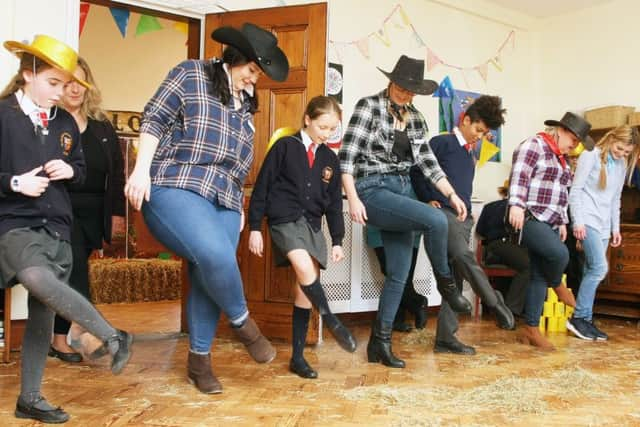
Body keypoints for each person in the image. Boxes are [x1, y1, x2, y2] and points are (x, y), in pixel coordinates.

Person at [125, 23, 289, 394]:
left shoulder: (246, 103)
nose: (254, 78)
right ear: (235, 57)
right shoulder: (190, 74)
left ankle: (199, 362)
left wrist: (242, 208)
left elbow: (240, 161)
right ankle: (243, 322)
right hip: (177, 184)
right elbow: (154, 117)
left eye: (258, 74)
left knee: (208, 270)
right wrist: (140, 170)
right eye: (251, 69)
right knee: (216, 254)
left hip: (226, 199)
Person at [0, 34, 132, 424]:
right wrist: (14, 184)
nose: (62, 93)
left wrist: (71, 170)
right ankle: (110, 334)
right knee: (35, 277)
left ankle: (30, 399)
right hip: (15, 224)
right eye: (54, 84)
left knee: (43, 311)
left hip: (57, 225)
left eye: (66, 85)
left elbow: (83, 170)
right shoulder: (3, 117)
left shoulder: (63, 123)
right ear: (29, 74)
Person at [339, 55, 471, 369]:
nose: (406, 94)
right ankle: (447, 286)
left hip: (401, 191)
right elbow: (347, 158)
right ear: (391, 81)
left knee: (398, 275)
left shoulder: (415, 119)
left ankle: (379, 344)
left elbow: (427, 163)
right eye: (402, 87)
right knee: (436, 220)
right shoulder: (368, 107)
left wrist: (452, 194)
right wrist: (353, 198)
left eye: (412, 91)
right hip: (373, 189)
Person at [248, 96, 356, 379]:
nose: (327, 134)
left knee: (304, 292)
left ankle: (297, 358)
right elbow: (262, 186)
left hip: (312, 226)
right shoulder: (285, 147)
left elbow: (333, 205)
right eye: (323, 127)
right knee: (304, 267)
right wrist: (255, 227)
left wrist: (336, 241)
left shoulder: (330, 159)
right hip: (284, 220)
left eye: (333, 129)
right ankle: (331, 318)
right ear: (307, 119)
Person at [410, 95, 514, 356]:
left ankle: (446, 337)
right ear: (465, 120)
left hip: (462, 220)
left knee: (454, 276)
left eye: (485, 133)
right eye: (478, 130)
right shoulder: (442, 142)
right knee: (462, 255)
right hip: (440, 214)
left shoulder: (470, 154)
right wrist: (428, 198)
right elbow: (417, 171)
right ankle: (494, 301)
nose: (479, 136)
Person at [47, 57, 126, 363]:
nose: (75, 89)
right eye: (68, 82)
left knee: (71, 273)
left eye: (81, 81)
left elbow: (117, 172)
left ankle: (58, 339)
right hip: (60, 207)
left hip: (95, 212)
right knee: (76, 267)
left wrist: (117, 214)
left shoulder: (102, 126)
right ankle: (89, 330)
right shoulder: (49, 124)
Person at [508, 112, 594, 351]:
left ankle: (531, 329)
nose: (574, 146)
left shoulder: (561, 159)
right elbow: (520, 175)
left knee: (538, 274)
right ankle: (558, 284)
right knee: (560, 255)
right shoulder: (534, 145)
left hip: (550, 221)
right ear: (562, 130)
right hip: (528, 216)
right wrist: (515, 204)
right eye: (573, 141)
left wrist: (562, 223)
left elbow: (561, 194)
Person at [567, 125, 639, 341]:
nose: (622, 154)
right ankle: (578, 317)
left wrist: (615, 228)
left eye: (627, 152)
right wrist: (578, 222)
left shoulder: (622, 163)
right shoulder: (590, 156)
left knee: (591, 269)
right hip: (587, 219)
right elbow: (576, 191)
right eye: (620, 149)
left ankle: (586, 320)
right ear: (611, 139)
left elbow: (615, 199)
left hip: (605, 224)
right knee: (599, 268)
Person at [475, 179, 529, 318]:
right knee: (529, 265)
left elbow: (480, 232)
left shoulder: (489, 206)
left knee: (521, 264)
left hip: (490, 250)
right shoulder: (519, 209)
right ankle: (511, 310)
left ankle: (498, 305)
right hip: (507, 246)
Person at [366, 226, 428, 332]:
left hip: (410, 227)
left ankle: (397, 319)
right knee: (393, 274)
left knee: (405, 278)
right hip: (380, 223)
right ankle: (417, 303)